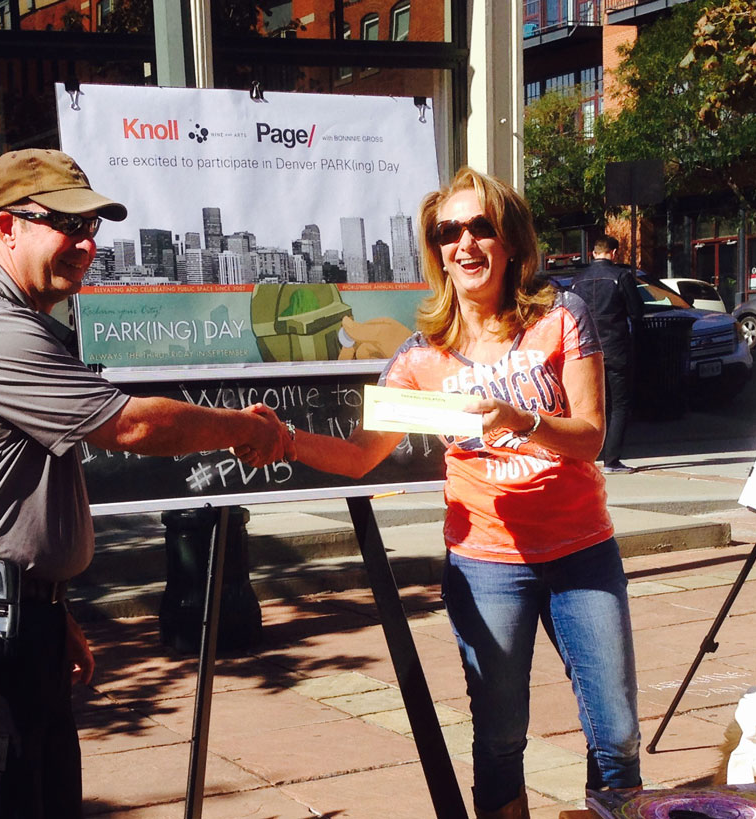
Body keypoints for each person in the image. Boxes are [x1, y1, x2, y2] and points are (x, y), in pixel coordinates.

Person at [0, 148, 293, 819]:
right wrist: (238, 427)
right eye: (65, 225)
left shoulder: (22, 323)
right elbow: (131, 426)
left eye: (91, 229)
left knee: (41, 799)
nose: (84, 244)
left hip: (11, 608)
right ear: (5, 227)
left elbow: (9, 499)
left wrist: (50, 606)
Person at [253, 167, 642, 819]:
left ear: (511, 241)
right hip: (487, 565)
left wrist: (521, 419)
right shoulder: (419, 356)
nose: (464, 242)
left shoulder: (562, 315)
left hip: (582, 552)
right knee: (497, 738)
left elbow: (591, 437)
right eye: (447, 231)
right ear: (436, 250)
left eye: (480, 226)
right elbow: (358, 456)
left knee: (618, 732)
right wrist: (284, 437)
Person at [568, 235, 644, 474]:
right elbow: (637, 311)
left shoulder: (577, 281)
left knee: (589, 404)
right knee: (619, 404)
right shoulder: (620, 276)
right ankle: (612, 459)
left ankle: (587, 454)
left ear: (592, 253)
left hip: (585, 349)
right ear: (613, 253)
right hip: (616, 346)